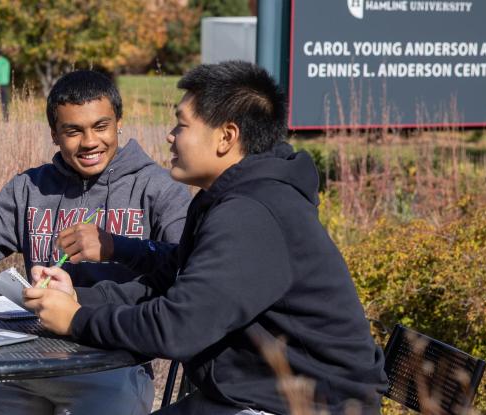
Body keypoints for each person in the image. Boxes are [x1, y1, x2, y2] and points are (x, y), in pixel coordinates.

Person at [23, 61, 388, 415]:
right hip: (248, 396)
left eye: (181, 125)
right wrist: (75, 298)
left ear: (226, 137)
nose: (170, 135)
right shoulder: (226, 199)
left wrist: (77, 320)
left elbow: (178, 328)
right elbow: (165, 285)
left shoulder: (252, 213)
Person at [0, 70, 191, 415]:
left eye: (100, 126)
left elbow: (187, 265)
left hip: (111, 363)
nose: (89, 142)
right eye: (73, 131)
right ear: (55, 135)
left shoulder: (159, 188)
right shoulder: (29, 187)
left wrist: (117, 247)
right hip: (21, 356)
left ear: (119, 122)